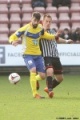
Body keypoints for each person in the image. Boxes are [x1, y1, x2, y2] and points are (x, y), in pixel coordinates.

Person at [9, 12, 60, 99]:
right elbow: (12, 36)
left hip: (38, 55)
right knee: (33, 69)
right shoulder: (25, 28)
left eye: (37, 21)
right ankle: (35, 93)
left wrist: (53, 36)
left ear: (39, 21)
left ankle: (34, 79)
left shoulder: (40, 28)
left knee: (43, 76)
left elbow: (45, 35)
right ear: (31, 19)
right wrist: (12, 41)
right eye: (34, 20)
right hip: (27, 54)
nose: (35, 22)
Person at [37, 14, 73, 98]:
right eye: (46, 21)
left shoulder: (52, 31)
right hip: (46, 56)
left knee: (60, 78)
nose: (48, 23)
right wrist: (44, 28)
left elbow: (57, 39)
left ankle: (48, 88)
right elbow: (39, 36)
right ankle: (50, 91)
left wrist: (67, 41)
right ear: (43, 21)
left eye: (50, 21)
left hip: (55, 56)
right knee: (50, 71)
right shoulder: (40, 31)